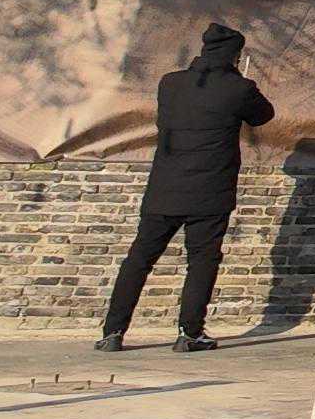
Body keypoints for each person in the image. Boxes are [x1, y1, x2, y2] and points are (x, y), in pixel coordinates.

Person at [97, 22, 272, 353]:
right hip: (210, 190)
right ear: (236, 56)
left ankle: (113, 332)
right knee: (202, 261)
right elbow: (263, 115)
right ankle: (189, 333)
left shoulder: (170, 83)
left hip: (164, 187)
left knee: (139, 258)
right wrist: (240, 80)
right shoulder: (239, 88)